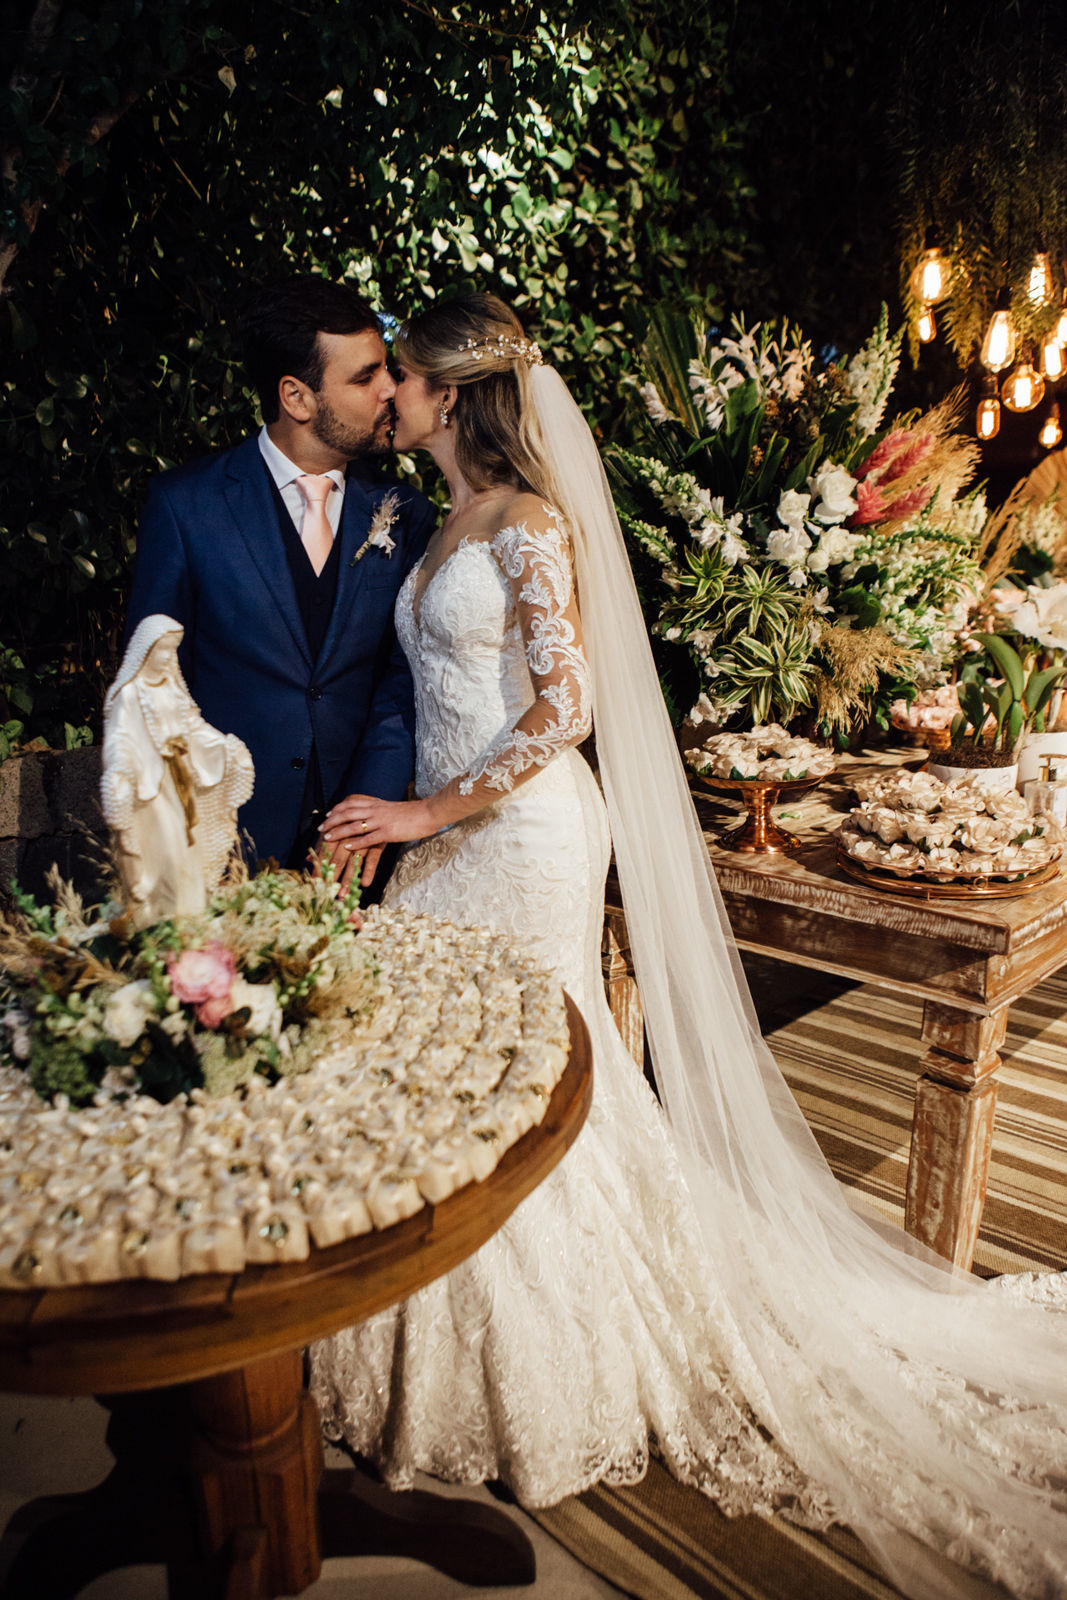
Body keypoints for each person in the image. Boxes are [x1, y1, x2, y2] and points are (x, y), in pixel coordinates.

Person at [309, 294, 1067, 1600]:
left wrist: (426, 809)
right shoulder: (441, 521)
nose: (389, 397)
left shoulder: (532, 525)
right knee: (445, 1082)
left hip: (522, 838)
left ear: (451, 394)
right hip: (446, 838)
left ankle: (550, 1364)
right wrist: (410, 816)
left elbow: (564, 710)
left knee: (534, 1085)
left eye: (405, 379)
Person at [125, 276, 436, 880]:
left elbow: (405, 678)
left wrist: (364, 815)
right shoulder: (187, 506)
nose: (391, 390)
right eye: (364, 377)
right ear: (297, 397)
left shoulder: (408, 512)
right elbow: (152, 685)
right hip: (222, 845)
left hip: (360, 855)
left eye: (387, 371)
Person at [101, 614, 254, 927]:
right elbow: (119, 739)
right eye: (162, 650)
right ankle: (157, 919)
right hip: (152, 787)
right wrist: (119, 770)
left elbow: (192, 726)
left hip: (182, 778)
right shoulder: (131, 694)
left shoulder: (172, 687)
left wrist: (222, 746)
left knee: (190, 847)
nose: (168, 658)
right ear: (144, 652)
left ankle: (188, 917)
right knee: (165, 848)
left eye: (172, 651)